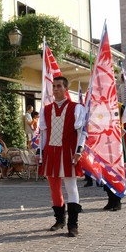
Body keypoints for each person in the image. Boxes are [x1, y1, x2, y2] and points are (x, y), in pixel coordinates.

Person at [36, 76, 86, 237]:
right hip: (51, 152)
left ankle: (73, 224)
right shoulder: (46, 109)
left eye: (58, 86)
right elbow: (43, 133)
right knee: (54, 188)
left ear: (65, 88)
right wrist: (39, 152)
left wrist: (79, 150)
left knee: (71, 188)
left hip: (69, 152)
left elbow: (82, 132)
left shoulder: (76, 108)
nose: (55, 89)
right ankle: (60, 220)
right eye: (54, 86)